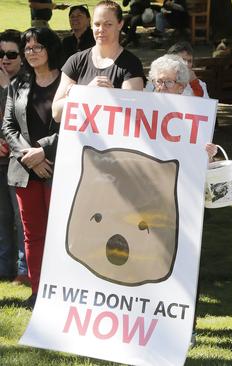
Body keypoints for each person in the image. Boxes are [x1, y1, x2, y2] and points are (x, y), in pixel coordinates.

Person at [1, 27, 62, 309]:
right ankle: (38, 291)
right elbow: (8, 126)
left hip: (57, 168)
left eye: (38, 47)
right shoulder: (18, 84)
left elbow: (73, 126)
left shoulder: (66, 83)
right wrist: (29, 155)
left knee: (59, 234)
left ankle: (61, 291)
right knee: (32, 234)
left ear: (50, 48)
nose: (32, 52)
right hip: (25, 171)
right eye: (28, 48)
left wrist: (43, 151)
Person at [52, 0, 145, 123]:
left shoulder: (131, 64)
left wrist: (110, 95)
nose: (101, 29)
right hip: (79, 139)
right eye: (97, 24)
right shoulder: (75, 61)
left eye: (108, 24)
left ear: (120, 24)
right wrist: (86, 92)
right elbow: (57, 114)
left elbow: (132, 115)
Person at [0, 30, 27, 285]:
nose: (4, 59)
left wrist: (7, 87)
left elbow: (23, 123)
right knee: (2, 217)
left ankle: (23, 268)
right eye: (1, 54)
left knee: (21, 219)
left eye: (11, 54)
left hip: (20, 163)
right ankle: (3, 266)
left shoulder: (28, 82)